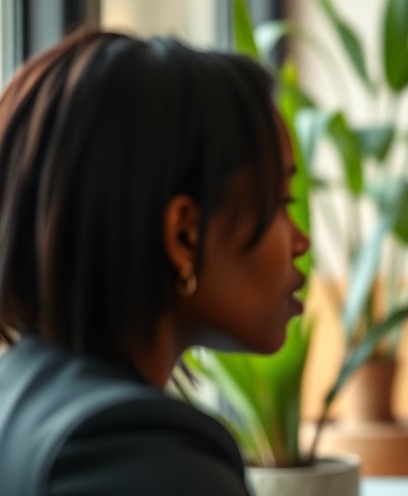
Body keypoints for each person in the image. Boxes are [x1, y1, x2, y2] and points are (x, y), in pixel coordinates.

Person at [0, 30, 309, 495]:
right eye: (281, 203)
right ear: (185, 235)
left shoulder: (17, 397)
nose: (300, 242)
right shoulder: (145, 461)